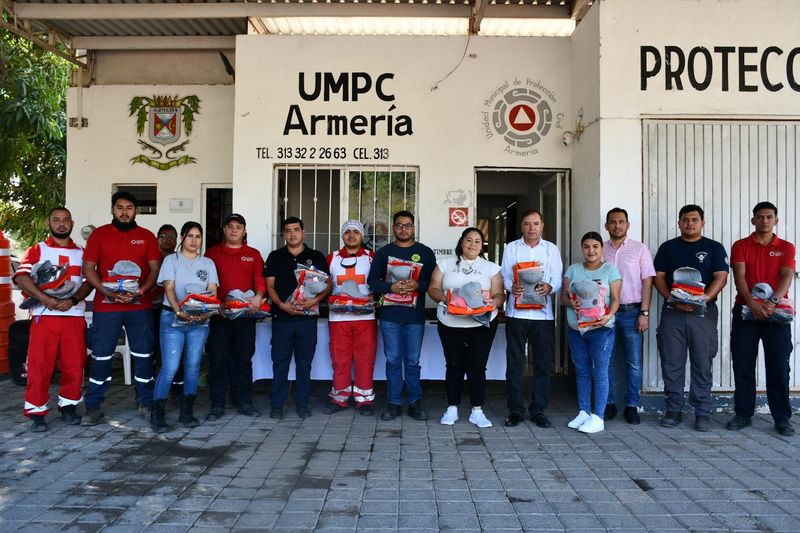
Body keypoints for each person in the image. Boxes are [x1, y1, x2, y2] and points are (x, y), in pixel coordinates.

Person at [82, 192, 161, 425]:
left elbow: (155, 270)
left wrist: (140, 291)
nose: (124, 212)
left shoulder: (146, 236)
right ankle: (93, 406)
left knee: (143, 355)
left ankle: (146, 402)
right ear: (112, 210)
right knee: (102, 355)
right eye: (119, 207)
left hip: (140, 306)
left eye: (129, 207)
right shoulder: (99, 235)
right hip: (106, 307)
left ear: (136, 210)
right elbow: (88, 269)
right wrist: (107, 292)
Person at [14, 207, 93, 431]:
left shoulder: (82, 252)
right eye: (56, 220)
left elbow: (90, 281)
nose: (61, 224)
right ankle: (36, 411)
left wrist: (74, 299)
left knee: (75, 364)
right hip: (43, 316)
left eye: (65, 220)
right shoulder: (37, 249)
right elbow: (21, 277)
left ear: (72, 223)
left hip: (73, 316)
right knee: (40, 365)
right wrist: (45, 299)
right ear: (49, 223)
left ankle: (68, 407)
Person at [654, 204, 728, 432]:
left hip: (702, 314)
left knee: (702, 362)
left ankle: (702, 412)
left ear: (702, 222)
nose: (690, 224)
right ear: (679, 222)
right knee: (672, 362)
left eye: (694, 219)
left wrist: (702, 300)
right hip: (673, 313)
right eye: (685, 220)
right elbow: (658, 277)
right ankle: (673, 410)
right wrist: (671, 300)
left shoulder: (714, 248)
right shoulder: (668, 248)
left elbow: (721, 277)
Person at [727, 202, 795, 437]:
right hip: (745, 312)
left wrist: (771, 303)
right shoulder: (741, 245)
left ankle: (782, 418)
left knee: (778, 367)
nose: (764, 221)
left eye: (769, 217)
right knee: (744, 364)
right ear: (753, 220)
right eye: (760, 217)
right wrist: (752, 303)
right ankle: (743, 414)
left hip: (776, 313)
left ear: (776, 220)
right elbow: (740, 276)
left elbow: (787, 276)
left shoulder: (786, 247)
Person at [427, 227, 504, 428]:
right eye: (468, 240)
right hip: (450, 321)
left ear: (482, 245)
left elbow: (499, 293)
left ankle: (477, 410)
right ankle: (452, 408)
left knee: (477, 365)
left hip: (482, 323)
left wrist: (494, 303)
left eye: (477, 241)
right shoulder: (444, 264)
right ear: (462, 242)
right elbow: (433, 288)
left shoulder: (491, 268)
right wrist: (448, 301)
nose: (472, 244)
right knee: (454, 364)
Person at [368, 210, 436, 421]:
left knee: (413, 361)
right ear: (393, 228)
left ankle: (415, 402)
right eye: (399, 225)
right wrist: (392, 286)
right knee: (393, 360)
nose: (403, 229)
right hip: (389, 315)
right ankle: (394, 402)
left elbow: (433, 285)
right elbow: (372, 282)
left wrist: (417, 284)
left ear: (413, 228)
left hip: (414, 317)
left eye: (407, 225)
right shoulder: (383, 252)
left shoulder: (425, 253)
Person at [151, 222, 218, 432]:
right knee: (170, 368)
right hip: (172, 319)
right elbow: (169, 287)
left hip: (199, 322)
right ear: (182, 237)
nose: (194, 240)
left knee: (192, 368)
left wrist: (206, 313)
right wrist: (178, 310)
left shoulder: (207, 263)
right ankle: (157, 414)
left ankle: (186, 414)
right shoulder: (171, 260)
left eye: (198, 236)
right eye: (190, 236)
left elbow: (212, 291)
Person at [500, 209, 563, 428]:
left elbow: (557, 277)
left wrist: (550, 286)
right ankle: (515, 410)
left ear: (542, 225)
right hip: (516, 313)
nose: (531, 228)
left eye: (536, 223)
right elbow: (504, 276)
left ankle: (538, 410)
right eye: (527, 223)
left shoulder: (551, 249)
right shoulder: (511, 248)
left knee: (542, 364)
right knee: (515, 363)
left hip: (543, 315)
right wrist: (511, 287)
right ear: (521, 226)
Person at [265, 216, 331, 419]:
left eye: (296, 230)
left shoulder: (316, 256)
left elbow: (328, 285)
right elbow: (269, 287)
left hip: (306, 319)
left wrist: (314, 302)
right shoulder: (275, 256)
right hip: (282, 319)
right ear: (284, 234)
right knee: (280, 363)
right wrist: (282, 305)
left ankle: (302, 404)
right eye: (288, 230)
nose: (292, 234)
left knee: (304, 364)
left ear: (303, 232)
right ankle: (277, 405)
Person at [205, 213, 266, 419]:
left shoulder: (254, 254)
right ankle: (217, 405)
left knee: (243, 360)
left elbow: (259, 278)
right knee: (217, 360)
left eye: (238, 227)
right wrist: (215, 304)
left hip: (245, 315)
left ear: (244, 230)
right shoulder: (212, 254)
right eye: (230, 226)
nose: (234, 230)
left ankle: (244, 402)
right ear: (224, 230)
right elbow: (207, 285)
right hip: (219, 316)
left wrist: (258, 297)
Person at [561, 232, 621, 434]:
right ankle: (584, 411)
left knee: (600, 371)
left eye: (595, 246)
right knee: (582, 371)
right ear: (582, 249)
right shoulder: (573, 269)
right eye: (586, 246)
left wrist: (608, 316)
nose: (591, 250)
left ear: (601, 248)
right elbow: (564, 297)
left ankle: (598, 416)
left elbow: (615, 300)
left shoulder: (610, 270)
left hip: (601, 329)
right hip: (577, 330)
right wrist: (572, 302)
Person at [602, 207, 655, 424]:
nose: (617, 225)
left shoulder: (640, 249)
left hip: (632, 312)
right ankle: (608, 403)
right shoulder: (600, 249)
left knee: (633, 362)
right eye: (613, 222)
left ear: (628, 225)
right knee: (605, 360)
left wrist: (644, 312)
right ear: (607, 226)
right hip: (605, 314)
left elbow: (648, 281)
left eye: (621, 221)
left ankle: (632, 405)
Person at [325, 220, 377, 416]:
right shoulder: (331, 258)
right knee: (340, 360)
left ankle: (365, 400)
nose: (352, 235)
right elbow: (324, 284)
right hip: (338, 318)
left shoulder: (372, 258)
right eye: (348, 232)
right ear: (342, 236)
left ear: (362, 236)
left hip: (366, 318)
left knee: (365, 359)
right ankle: (339, 398)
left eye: (356, 232)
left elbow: (380, 283)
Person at [150, 224, 180, 397]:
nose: (168, 239)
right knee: (153, 349)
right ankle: (152, 390)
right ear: (157, 239)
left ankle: (176, 391)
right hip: (152, 310)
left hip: (173, 311)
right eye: (164, 236)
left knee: (174, 353)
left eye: (172, 236)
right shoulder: (151, 259)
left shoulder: (180, 259)